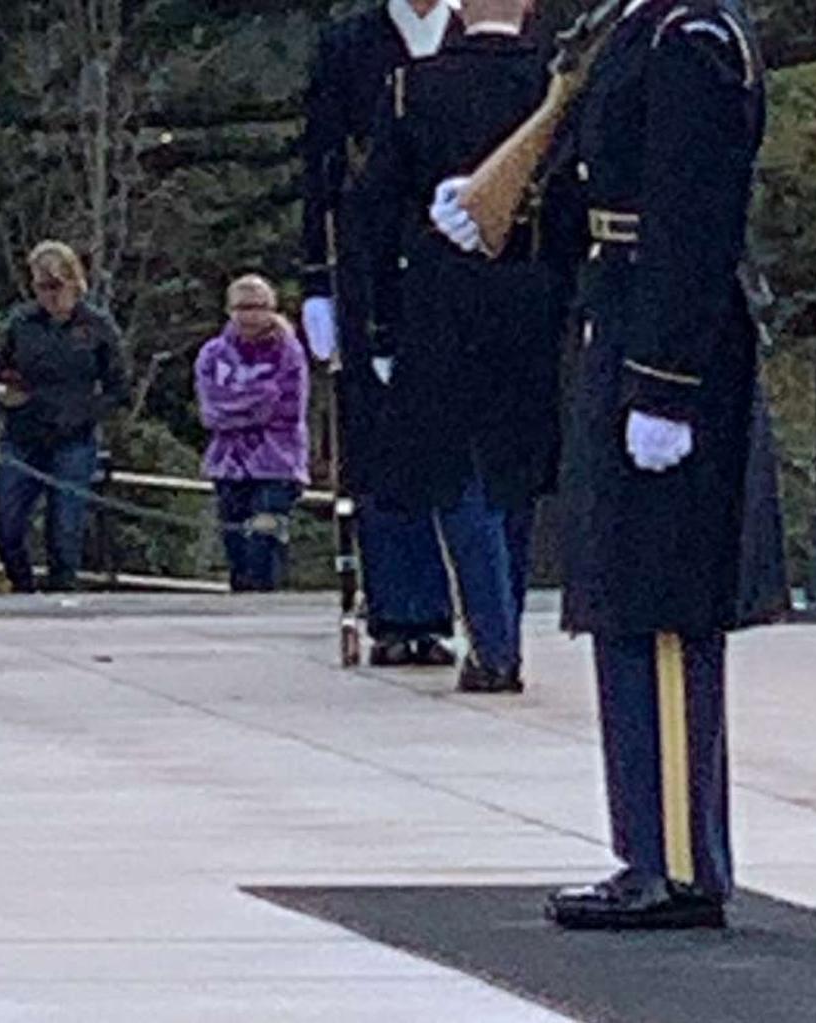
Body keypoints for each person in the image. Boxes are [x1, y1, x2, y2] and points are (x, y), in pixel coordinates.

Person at [436, 0, 784, 929]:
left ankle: (674, 863)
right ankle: (648, 847)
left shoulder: (693, 40)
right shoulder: (633, 27)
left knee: (662, 608)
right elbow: (604, 184)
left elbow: (695, 221)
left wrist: (664, 385)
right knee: (623, 597)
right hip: (621, 317)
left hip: (668, 344)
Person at [359, 0, 565, 693]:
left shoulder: (416, 86)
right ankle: (501, 629)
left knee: (461, 474)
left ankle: (494, 638)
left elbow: (376, 212)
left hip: (443, 301)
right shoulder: (553, 85)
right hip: (532, 297)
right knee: (516, 471)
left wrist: (381, 323)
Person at [301, 0, 464, 666]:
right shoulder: (349, 44)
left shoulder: (471, 35)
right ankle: (401, 608)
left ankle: (468, 606)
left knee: (455, 450)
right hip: (372, 268)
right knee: (382, 445)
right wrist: (316, 278)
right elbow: (321, 168)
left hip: (459, 268)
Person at [0, 241, 130, 593]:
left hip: (73, 440)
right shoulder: (20, 323)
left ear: (73, 282)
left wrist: (84, 414)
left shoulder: (97, 326)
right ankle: (23, 588)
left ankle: (62, 595)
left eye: (55, 286)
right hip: (23, 437)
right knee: (6, 526)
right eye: (41, 287)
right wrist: (3, 395)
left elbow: (119, 388)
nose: (49, 295)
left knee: (65, 529)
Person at [196, 275, 310, 592]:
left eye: (258, 307)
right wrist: (254, 401)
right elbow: (211, 410)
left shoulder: (289, 353)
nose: (250, 315)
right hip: (228, 466)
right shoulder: (213, 355)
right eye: (242, 307)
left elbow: (284, 409)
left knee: (263, 543)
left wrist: (237, 403)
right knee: (236, 552)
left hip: (277, 465)